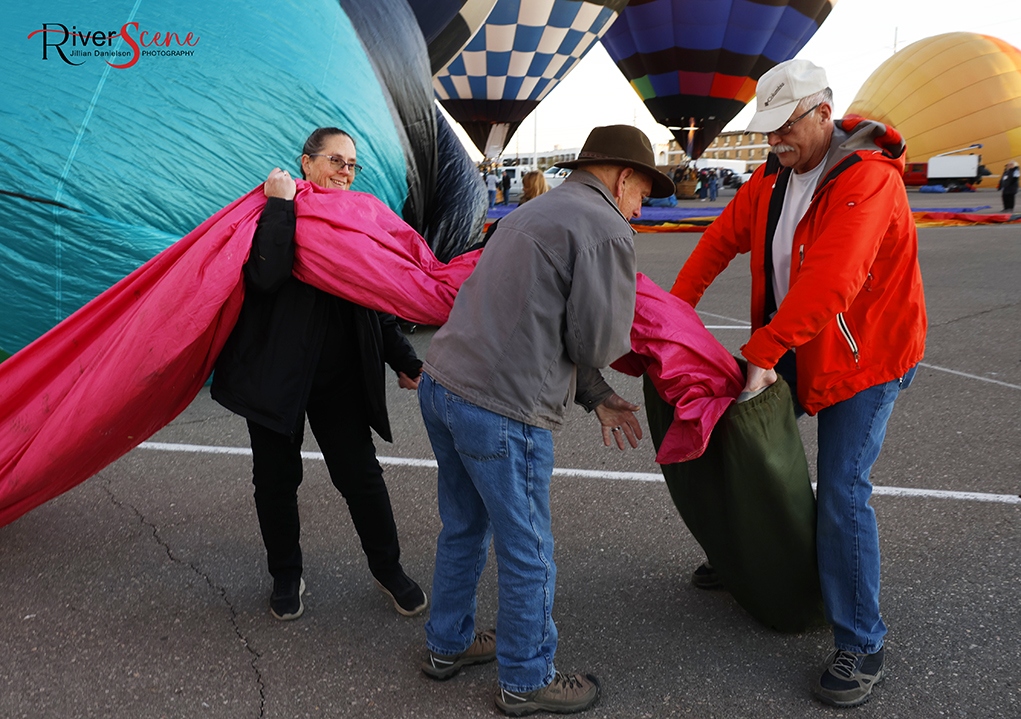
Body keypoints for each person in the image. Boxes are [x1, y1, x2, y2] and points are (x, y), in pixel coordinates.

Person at [670, 59, 926, 708]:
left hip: (861, 355)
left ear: (821, 112)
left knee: (841, 490)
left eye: (783, 128)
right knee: (735, 441)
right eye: (766, 131)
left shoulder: (867, 181)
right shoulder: (769, 178)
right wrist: (671, 313)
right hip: (795, 339)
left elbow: (832, 282)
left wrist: (763, 349)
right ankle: (750, 558)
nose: (772, 141)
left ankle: (860, 641)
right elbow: (716, 243)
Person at [418, 125, 674, 716]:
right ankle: (527, 678)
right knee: (527, 547)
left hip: (444, 383)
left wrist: (594, 396)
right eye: (643, 193)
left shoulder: (532, 211)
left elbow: (531, 315)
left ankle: (446, 645)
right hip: (501, 409)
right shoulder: (606, 226)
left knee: (462, 527)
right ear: (622, 177)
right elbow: (597, 339)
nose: (642, 207)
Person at [211, 127, 428, 622]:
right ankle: (287, 574)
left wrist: (405, 360)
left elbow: (376, 302)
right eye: (335, 160)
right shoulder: (272, 209)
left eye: (352, 164)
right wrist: (281, 205)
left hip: (340, 379)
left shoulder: (357, 218)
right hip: (275, 375)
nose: (344, 172)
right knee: (275, 481)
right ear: (306, 163)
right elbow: (266, 276)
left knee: (361, 477)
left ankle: (388, 568)